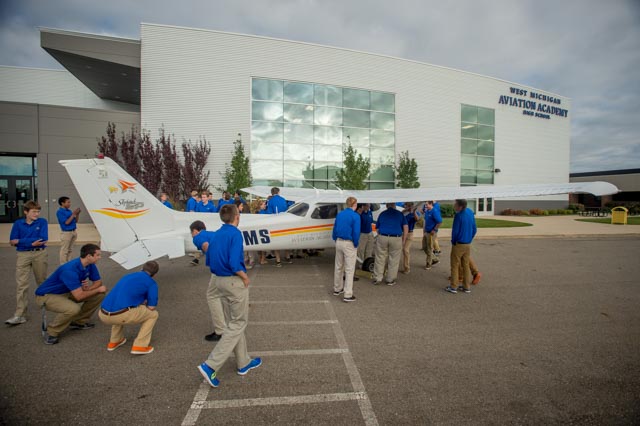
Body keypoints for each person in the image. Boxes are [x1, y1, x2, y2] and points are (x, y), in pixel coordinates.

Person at [197, 204, 262, 388]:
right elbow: (235, 262)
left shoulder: (216, 233)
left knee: (234, 322)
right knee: (238, 323)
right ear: (237, 216)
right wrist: (244, 277)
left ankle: (243, 362)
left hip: (217, 280)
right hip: (233, 281)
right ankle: (211, 365)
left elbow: (209, 257)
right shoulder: (234, 234)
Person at [34, 243, 106, 344]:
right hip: (47, 296)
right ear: (89, 256)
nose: (100, 257)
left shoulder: (90, 265)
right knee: (73, 309)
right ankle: (51, 332)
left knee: (100, 295)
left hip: (67, 291)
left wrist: (89, 288)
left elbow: (98, 282)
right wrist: (96, 290)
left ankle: (78, 322)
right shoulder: (69, 270)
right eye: (98, 255)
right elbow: (79, 296)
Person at [99, 261, 160, 355]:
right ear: (154, 274)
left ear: (141, 269)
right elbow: (151, 307)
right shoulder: (151, 283)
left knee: (117, 307)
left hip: (102, 313)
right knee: (153, 315)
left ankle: (115, 340)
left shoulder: (127, 276)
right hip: (122, 315)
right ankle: (140, 345)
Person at [6, 200, 49, 326]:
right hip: (23, 255)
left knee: (41, 280)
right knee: (21, 284)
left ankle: (45, 304)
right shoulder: (18, 223)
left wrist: (20, 240)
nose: (37, 214)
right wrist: (29, 243)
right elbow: (12, 241)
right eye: (34, 211)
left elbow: (43, 238)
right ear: (26, 212)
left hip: (39, 253)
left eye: (38, 211)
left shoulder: (42, 222)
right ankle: (20, 314)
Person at [190, 220, 226, 342]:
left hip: (219, 268)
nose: (192, 235)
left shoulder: (198, 237)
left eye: (192, 233)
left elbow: (206, 246)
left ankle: (220, 330)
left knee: (212, 295)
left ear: (195, 231)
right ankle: (228, 325)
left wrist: (214, 261)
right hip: (229, 265)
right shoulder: (213, 233)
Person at [445, 199, 477, 294]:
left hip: (459, 243)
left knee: (454, 265)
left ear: (460, 206)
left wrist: (453, 241)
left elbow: (455, 231)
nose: (454, 205)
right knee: (466, 265)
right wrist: (470, 239)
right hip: (467, 243)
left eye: (456, 204)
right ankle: (466, 286)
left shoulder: (458, 216)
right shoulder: (470, 212)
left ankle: (453, 286)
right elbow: (474, 229)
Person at [332, 197, 360, 303]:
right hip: (349, 243)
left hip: (339, 241)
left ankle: (337, 288)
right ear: (355, 204)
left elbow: (334, 229)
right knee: (349, 269)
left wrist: (335, 238)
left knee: (338, 266)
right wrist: (355, 243)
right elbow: (356, 232)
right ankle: (348, 294)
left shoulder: (340, 214)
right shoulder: (355, 216)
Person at [372, 203, 408, 286]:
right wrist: (404, 240)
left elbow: (377, 228)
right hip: (396, 238)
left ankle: (377, 278)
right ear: (394, 206)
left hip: (383, 236)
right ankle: (390, 279)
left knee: (380, 257)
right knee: (394, 259)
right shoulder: (400, 214)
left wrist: (381, 235)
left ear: (387, 206)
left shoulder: (382, 214)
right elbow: (405, 227)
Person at [265, 187, 291, 267]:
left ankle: (278, 260)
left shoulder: (270, 201)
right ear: (279, 192)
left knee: (276, 241)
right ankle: (287, 257)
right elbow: (287, 210)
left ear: (272, 193)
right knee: (286, 239)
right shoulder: (283, 199)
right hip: (285, 221)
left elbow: (269, 213)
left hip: (275, 222)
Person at [57, 196, 81, 264]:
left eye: (70, 202)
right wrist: (73, 214)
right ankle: (63, 264)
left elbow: (75, 221)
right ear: (62, 203)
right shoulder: (60, 212)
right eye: (68, 202)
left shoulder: (69, 211)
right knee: (64, 250)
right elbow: (67, 222)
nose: (69, 204)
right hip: (66, 233)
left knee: (70, 249)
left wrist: (77, 214)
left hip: (73, 231)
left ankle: (68, 262)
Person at [422, 201, 442, 270]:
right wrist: (424, 230)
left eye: (427, 205)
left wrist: (434, 230)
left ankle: (428, 264)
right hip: (426, 232)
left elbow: (439, 222)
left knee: (429, 248)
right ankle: (435, 259)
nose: (425, 206)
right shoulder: (427, 211)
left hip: (431, 233)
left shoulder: (434, 211)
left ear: (431, 204)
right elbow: (425, 220)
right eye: (425, 205)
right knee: (424, 247)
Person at [401, 202, 420, 274]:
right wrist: (406, 210)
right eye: (407, 205)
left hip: (409, 233)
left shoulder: (413, 214)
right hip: (402, 233)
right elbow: (400, 214)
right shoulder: (404, 213)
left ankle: (407, 268)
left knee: (406, 250)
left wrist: (414, 211)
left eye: (410, 205)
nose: (409, 207)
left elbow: (417, 219)